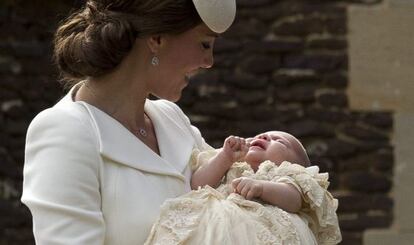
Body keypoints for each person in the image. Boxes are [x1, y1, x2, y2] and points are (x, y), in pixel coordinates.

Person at [21, 0, 236, 244]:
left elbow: (232, 209)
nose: (209, 62)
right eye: (204, 44)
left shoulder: (172, 118)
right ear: (157, 39)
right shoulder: (64, 131)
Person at [145, 131, 342, 245]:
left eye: (278, 141)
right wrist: (224, 157)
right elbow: (196, 184)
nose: (265, 137)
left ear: (294, 163)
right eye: (261, 135)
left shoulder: (285, 175)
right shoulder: (232, 166)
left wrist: (262, 188)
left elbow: (293, 200)